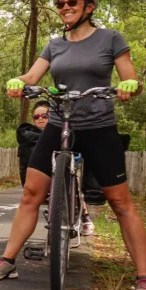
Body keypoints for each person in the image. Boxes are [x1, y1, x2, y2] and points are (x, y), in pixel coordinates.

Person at [0, 0, 146, 290]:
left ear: (89, 6)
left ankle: (144, 278)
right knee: (31, 193)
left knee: (120, 203)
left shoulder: (110, 38)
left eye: (72, 2)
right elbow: (33, 77)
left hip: (99, 125)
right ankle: (7, 260)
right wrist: (17, 82)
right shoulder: (55, 45)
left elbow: (129, 76)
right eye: (61, 4)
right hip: (61, 122)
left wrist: (129, 85)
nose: (66, 8)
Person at [17, 100, 95, 236]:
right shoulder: (30, 136)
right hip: (43, 175)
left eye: (45, 116)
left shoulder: (64, 131)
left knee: (75, 179)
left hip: (65, 168)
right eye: (36, 117)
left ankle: (84, 214)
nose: (40, 119)